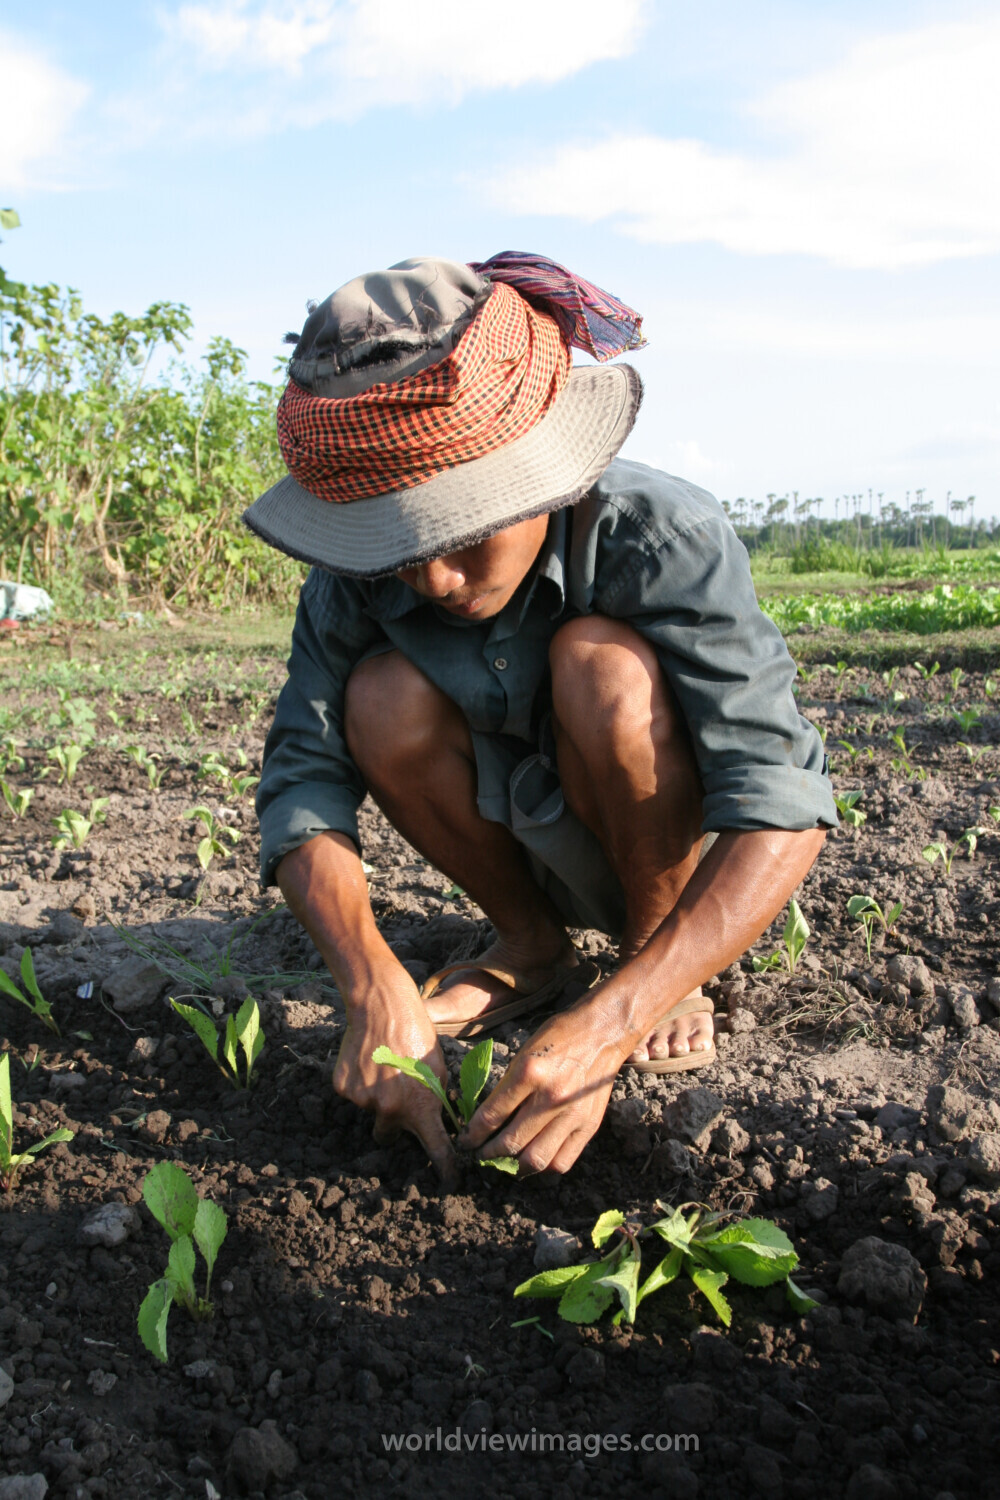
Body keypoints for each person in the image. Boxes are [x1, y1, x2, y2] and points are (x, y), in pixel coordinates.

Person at [245, 253, 836, 1183]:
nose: (433, 579)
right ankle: (532, 947)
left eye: (458, 533)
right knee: (381, 696)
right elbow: (301, 779)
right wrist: (371, 982)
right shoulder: (356, 582)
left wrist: (618, 1022)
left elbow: (783, 804)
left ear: (534, 475)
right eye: (398, 550)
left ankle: (651, 962)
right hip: (522, 848)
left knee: (601, 665)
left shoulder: (657, 533)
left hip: (668, 857)